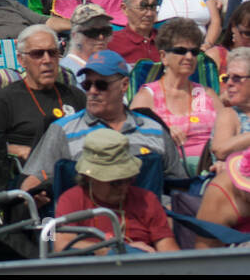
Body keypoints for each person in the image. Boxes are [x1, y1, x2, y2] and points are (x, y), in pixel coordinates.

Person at [21, 50, 188, 191]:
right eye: (87, 85)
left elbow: (179, 185)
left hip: (146, 222)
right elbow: (31, 183)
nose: (92, 91)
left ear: (124, 85)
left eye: (101, 85)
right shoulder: (64, 130)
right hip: (88, 223)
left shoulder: (154, 130)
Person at [53, 128, 178, 254]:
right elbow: (63, 245)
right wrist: (121, 250)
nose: (124, 187)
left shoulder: (147, 199)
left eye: (128, 179)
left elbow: (169, 250)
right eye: (115, 182)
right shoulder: (72, 200)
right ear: (90, 178)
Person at [0, 24, 86, 162]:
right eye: (37, 54)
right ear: (21, 60)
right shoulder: (7, 98)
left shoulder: (74, 94)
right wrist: (16, 150)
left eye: (52, 52)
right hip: (31, 169)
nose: (47, 60)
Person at [130, 18, 222, 172]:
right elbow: (133, 136)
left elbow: (227, 130)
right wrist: (163, 132)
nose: (189, 57)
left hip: (210, 167)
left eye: (194, 52)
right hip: (168, 171)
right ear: (164, 57)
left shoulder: (205, 94)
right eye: (180, 51)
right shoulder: (147, 96)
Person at [211, 47, 250, 162]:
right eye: (227, 78)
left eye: (237, 78)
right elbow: (220, 150)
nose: (229, 83)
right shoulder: (229, 114)